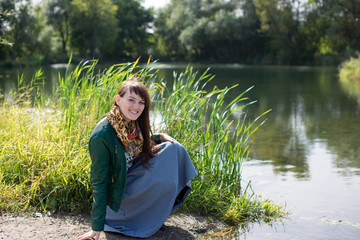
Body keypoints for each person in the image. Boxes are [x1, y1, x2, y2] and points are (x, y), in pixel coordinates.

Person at [78, 76, 197, 240]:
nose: (136, 106)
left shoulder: (131, 124)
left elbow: (137, 143)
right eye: (131, 100)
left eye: (141, 102)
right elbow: (99, 181)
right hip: (120, 193)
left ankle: (156, 211)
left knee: (173, 149)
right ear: (118, 100)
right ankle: (137, 217)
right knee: (165, 170)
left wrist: (159, 136)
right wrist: (96, 228)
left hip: (131, 177)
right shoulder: (102, 136)